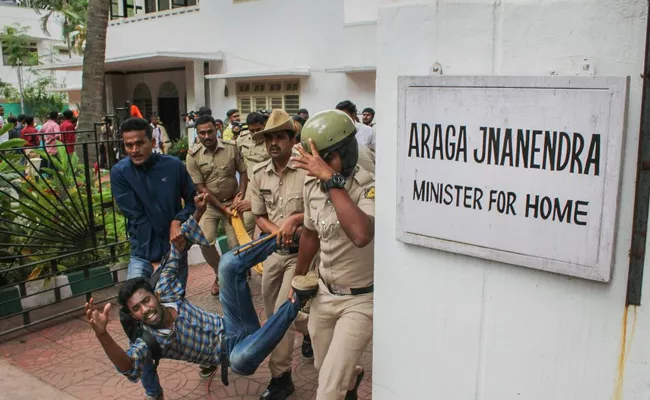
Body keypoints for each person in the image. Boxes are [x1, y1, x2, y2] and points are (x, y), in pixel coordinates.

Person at [84, 201, 313, 399]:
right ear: (134, 315)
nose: (145, 310)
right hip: (232, 352)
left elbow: (177, 249)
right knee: (240, 361)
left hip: (234, 323)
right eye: (136, 309)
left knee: (226, 265)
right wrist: (102, 334)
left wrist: (198, 213)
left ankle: (286, 238)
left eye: (146, 301)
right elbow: (129, 367)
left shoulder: (167, 290)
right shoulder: (151, 341)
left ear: (155, 296)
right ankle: (297, 300)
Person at [290, 109, 375, 400]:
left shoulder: (369, 185)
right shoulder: (312, 182)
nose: (315, 167)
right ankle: (352, 377)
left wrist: (332, 181)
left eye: (322, 160)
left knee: (327, 391)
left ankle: (344, 383)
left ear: (341, 154)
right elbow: (311, 234)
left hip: (361, 300)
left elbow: (362, 235)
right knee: (324, 367)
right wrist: (298, 278)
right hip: (324, 295)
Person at [110, 117, 198, 399]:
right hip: (144, 254)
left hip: (174, 250)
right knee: (136, 321)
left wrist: (179, 219)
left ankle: (207, 356)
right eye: (128, 145)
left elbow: (193, 199)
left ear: (153, 141)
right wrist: (157, 261)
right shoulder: (120, 172)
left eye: (139, 143)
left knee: (176, 315)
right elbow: (137, 216)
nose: (134, 150)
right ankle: (153, 391)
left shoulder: (173, 166)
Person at [248, 109, 313, 400]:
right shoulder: (259, 173)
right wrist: (278, 231)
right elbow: (259, 216)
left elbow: (319, 208)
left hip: (304, 253)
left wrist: (295, 220)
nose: (273, 143)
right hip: (274, 252)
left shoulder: (307, 169)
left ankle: (281, 377)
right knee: (276, 311)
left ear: (291, 138)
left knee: (282, 315)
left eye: (279, 137)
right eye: (268, 138)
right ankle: (311, 329)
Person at [185, 114, 248, 297]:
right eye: (201, 133)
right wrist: (223, 209)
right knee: (204, 240)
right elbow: (200, 187)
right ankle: (220, 273)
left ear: (217, 129)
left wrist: (241, 194)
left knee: (236, 243)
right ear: (197, 134)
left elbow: (243, 172)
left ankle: (237, 275)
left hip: (233, 202)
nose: (206, 136)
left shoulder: (231, 148)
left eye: (210, 131)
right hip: (210, 206)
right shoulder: (193, 156)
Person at [235, 111, 269, 238]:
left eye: (258, 130)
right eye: (252, 130)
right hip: (250, 186)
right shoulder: (242, 139)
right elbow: (236, 159)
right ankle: (248, 253)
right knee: (248, 223)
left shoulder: (271, 139)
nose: (255, 134)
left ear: (264, 125)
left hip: (269, 186)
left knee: (271, 221)